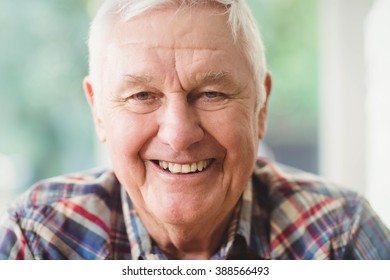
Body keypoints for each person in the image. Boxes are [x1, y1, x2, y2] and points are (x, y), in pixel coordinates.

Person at [0, 0, 389, 260]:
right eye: (141, 95)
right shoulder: (38, 239)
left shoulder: (340, 236)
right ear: (98, 111)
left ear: (260, 106)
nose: (179, 134)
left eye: (212, 92)